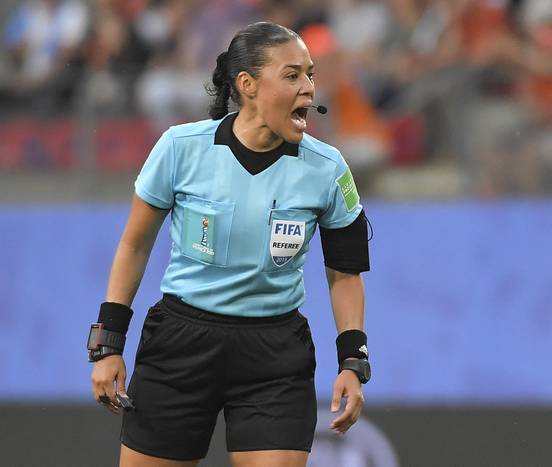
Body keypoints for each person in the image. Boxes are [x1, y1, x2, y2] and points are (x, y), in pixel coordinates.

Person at [87, 21, 371, 467]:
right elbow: (134, 246)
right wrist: (107, 344)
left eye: (311, 74)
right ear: (248, 85)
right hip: (180, 346)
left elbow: (345, 271)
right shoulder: (180, 148)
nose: (310, 89)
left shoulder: (329, 169)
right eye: (293, 75)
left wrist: (352, 361)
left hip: (275, 356)